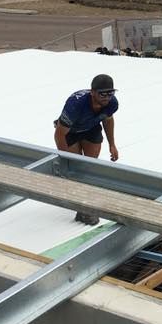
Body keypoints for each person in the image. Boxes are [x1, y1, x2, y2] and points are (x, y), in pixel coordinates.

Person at [54, 73, 120, 225]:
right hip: (69, 132)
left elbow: (108, 120)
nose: (107, 97)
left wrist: (112, 144)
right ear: (93, 92)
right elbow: (59, 133)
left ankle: (85, 206)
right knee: (75, 168)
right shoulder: (75, 104)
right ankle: (81, 206)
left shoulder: (112, 103)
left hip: (90, 127)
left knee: (89, 168)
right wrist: (65, 159)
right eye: (103, 93)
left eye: (111, 93)